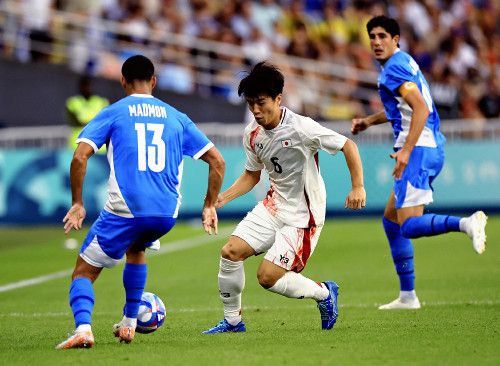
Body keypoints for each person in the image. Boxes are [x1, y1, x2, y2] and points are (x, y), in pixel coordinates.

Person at [55, 55, 225, 349]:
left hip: (126, 210)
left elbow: (80, 156)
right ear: (154, 82)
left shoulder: (114, 112)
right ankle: (129, 323)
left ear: (122, 82)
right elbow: (218, 161)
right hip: (165, 214)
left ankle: (83, 328)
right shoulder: (176, 116)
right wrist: (209, 204)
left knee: (83, 272)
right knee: (136, 249)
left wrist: (77, 203)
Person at [203, 62, 366, 334]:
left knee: (266, 277)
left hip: (303, 216)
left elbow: (348, 144)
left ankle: (324, 293)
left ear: (279, 99)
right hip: (273, 207)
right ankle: (233, 323)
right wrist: (218, 200)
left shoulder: (301, 127)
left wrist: (358, 186)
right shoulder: (252, 134)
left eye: (261, 102)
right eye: (251, 103)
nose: (255, 110)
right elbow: (251, 176)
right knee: (229, 253)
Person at [351, 15, 488, 310]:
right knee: (391, 220)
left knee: (409, 225)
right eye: (372, 36)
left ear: (396, 39)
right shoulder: (404, 62)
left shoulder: (392, 71)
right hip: (428, 146)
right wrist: (368, 121)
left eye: (382, 36)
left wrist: (405, 151)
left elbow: (421, 109)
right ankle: (407, 296)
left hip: (418, 149)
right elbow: (402, 109)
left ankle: (467, 223)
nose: (376, 41)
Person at [65, 75, 109, 152]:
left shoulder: (102, 102)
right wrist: (96, 123)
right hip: (78, 144)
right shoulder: (72, 102)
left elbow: (106, 122)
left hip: (99, 146)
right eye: (84, 85)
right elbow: (74, 122)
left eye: (88, 85)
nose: (87, 88)